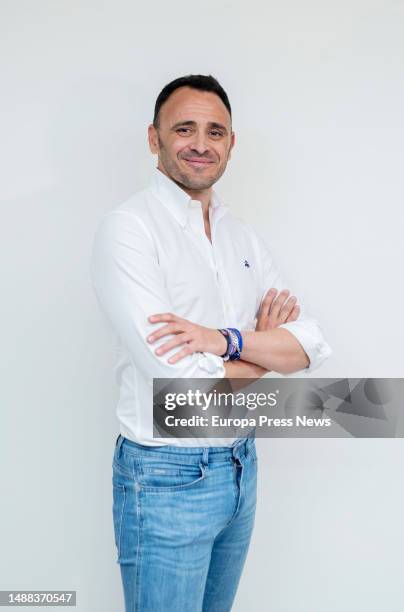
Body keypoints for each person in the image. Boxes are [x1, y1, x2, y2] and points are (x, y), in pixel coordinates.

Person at [90, 74, 332, 611]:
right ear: (153, 138)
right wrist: (263, 353)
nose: (201, 143)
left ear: (231, 143)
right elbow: (178, 390)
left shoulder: (241, 236)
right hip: (166, 476)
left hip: (240, 464)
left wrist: (223, 341)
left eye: (215, 131)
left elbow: (311, 342)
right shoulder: (129, 230)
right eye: (184, 129)